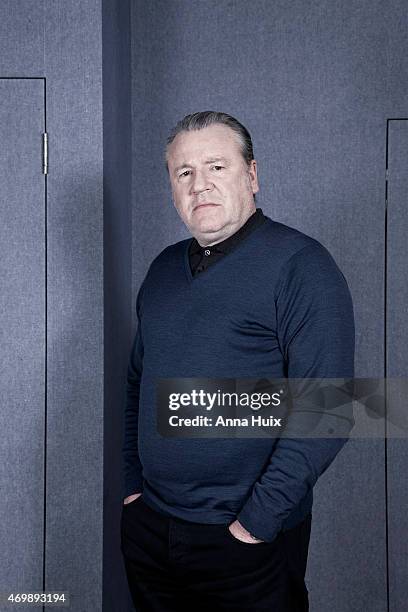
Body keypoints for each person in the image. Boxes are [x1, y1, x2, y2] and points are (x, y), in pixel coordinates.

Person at [120, 111, 355, 611]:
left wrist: (254, 525)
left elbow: (328, 411)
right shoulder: (162, 269)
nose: (199, 185)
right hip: (153, 530)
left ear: (251, 175)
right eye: (184, 172)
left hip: (246, 544)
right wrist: (131, 491)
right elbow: (138, 383)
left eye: (216, 167)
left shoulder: (302, 267)